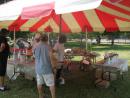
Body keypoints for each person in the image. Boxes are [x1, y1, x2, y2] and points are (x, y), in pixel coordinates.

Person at [33, 33, 55, 98]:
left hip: (38, 69)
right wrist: (54, 67)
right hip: (47, 69)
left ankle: (40, 96)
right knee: (51, 84)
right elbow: (51, 58)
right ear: (47, 39)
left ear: (40, 39)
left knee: (39, 83)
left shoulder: (36, 46)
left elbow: (34, 56)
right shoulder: (48, 46)